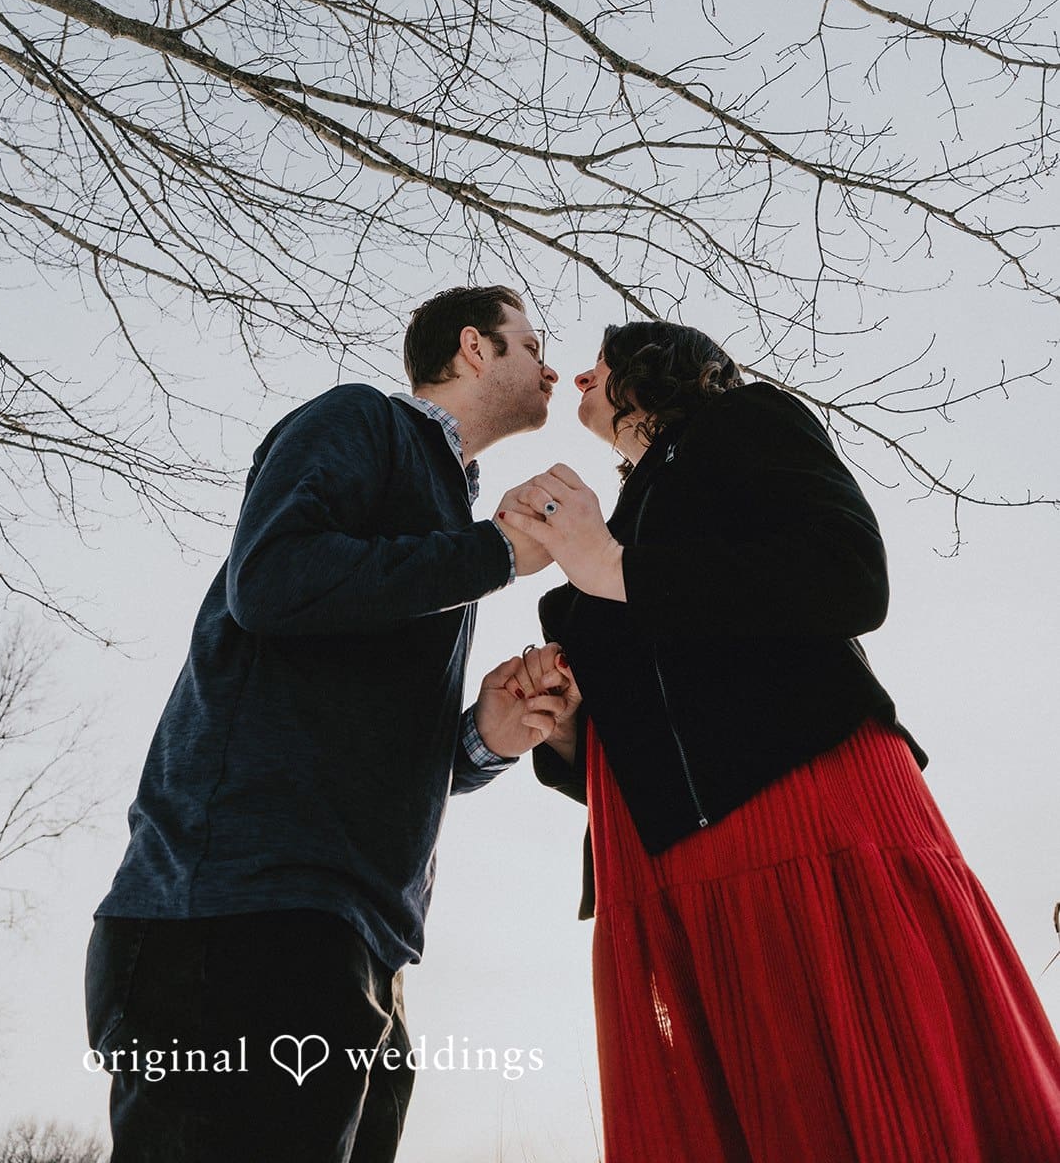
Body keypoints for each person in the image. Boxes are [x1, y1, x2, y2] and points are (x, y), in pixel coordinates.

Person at [499, 320, 1060, 1163]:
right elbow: (661, 735)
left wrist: (612, 569)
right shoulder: (614, 520)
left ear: (657, 372)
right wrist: (566, 721)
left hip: (800, 808)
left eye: (602, 361)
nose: (579, 374)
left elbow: (846, 577)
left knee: (879, 1076)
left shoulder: (748, 423)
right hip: (657, 863)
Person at [84, 285, 570, 1163]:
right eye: (531, 343)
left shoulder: (441, 521)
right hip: (239, 922)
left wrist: (485, 738)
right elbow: (270, 580)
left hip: (356, 949)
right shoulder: (362, 423)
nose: (552, 366)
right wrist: (496, 554)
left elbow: (363, 728)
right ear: (473, 348)